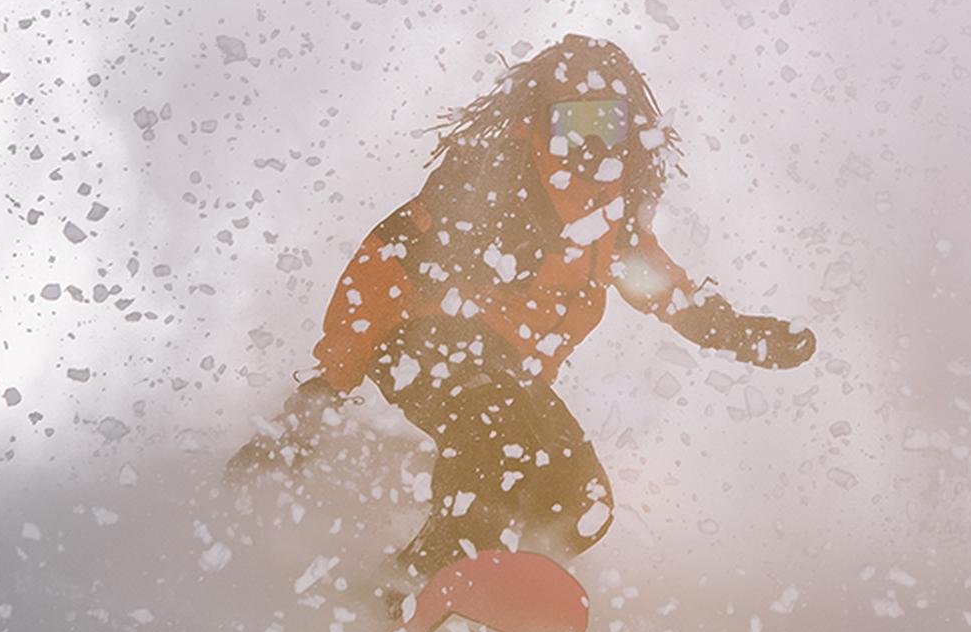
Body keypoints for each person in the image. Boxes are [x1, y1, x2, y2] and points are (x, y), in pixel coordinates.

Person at [235, 35, 814, 580]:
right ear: (540, 119)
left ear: (629, 128)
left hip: (509, 369)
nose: (588, 143)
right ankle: (421, 582)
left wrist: (740, 334)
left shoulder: (612, 217)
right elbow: (382, 266)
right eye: (572, 122)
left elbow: (661, 289)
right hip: (427, 342)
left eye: (605, 123)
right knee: (495, 442)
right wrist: (329, 384)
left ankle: (504, 584)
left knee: (579, 504)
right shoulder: (491, 183)